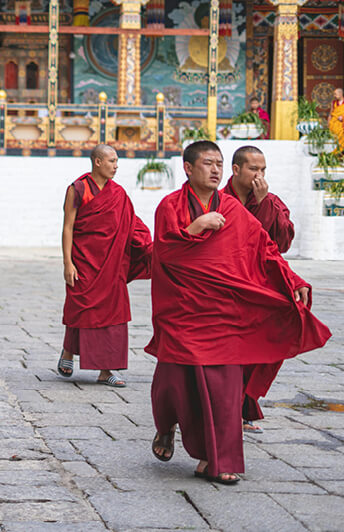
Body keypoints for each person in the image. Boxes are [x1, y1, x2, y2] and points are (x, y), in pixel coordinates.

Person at [148, 141, 330, 485]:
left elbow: (263, 246)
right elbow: (165, 252)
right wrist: (196, 227)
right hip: (183, 310)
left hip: (223, 312)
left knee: (224, 386)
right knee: (173, 383)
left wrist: (293, 278)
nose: (215, 170)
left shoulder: (231, 207)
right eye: (207, 163)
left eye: (219, 163)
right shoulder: (169, 206)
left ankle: (216, 459)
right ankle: (166, 425)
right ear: (188, 168)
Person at [57, 145, 152, 387]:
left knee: (111, 314)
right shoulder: (77, 189)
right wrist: (68, 263)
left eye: (117, 161)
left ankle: (106, 370)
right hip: (84, 260)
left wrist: (146, 243)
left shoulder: (118, 193)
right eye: (111, 161)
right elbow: (68, 227)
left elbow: (130, 222)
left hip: (112, 264)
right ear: (97, 162)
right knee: (82, 307)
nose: (116, 165)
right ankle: (69, 351)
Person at [223, 145, 296, 433]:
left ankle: (245, 405)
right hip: (226, 284)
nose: (259, 175)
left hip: (260, 285)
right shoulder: (218, 198)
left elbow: (281, 243)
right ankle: (227, 408)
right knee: (228, 350)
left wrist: (264, 203)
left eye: (263, 170)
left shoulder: (271, 201)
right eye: (254, 169)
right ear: (236, 169)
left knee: (261, 348)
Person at [329, 88, 344, 153]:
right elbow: (331, 114)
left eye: (335, 94)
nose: (334, 96)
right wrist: (329, 123)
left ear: (340, 94)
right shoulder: (334, 103)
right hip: (335, 124)